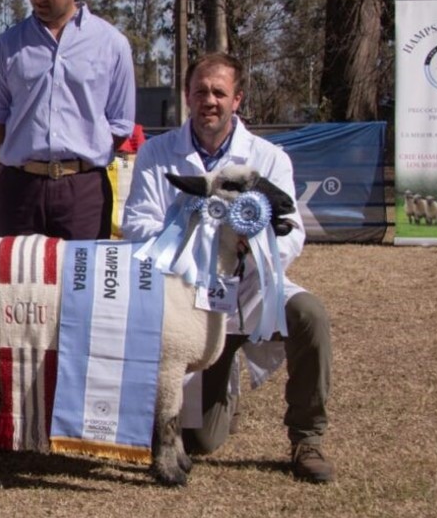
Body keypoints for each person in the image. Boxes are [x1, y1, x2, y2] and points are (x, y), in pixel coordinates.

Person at [122, 52, 335, 483]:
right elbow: (136, 224)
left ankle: (307, 438)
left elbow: (291, 231)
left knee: (309, 315)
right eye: (200, 91)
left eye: (219, 92)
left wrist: (251, 245)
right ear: (187, 96)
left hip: (254, 292)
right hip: (190, 307)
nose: (209, 100)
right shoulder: (158, 154)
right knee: (201, 441)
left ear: (237, 99)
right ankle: (224, 391)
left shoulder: (269, 157)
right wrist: (200, 234)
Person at [0, 0, 136, 240]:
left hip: (84, 192)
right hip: (20, 190)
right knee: (17, 284)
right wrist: (29, 162)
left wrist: (81, 159)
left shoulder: (111, 44)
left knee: (81, 284)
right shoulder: (7, 46)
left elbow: (120, 124)